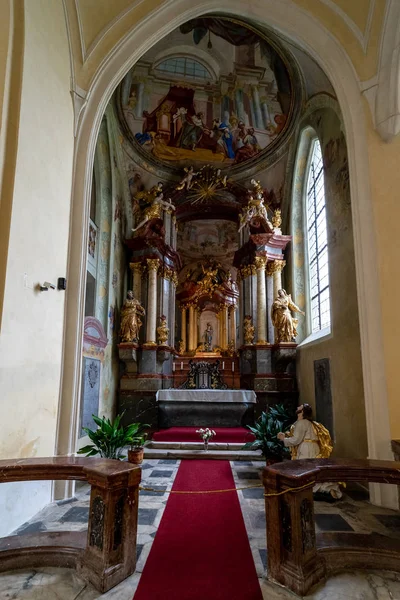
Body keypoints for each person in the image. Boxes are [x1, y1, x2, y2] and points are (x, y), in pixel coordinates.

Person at [277, 404, 343, 501]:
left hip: (306, 448)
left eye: (300, 407)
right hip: (314, 447)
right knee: (314, 470)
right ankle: (328, 488)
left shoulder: (302, 423)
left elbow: (296, 440)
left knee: (305, 471)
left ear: (302, 412)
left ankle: (320, 490)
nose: (297, 407)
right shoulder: (311, 423)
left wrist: (283, 439)